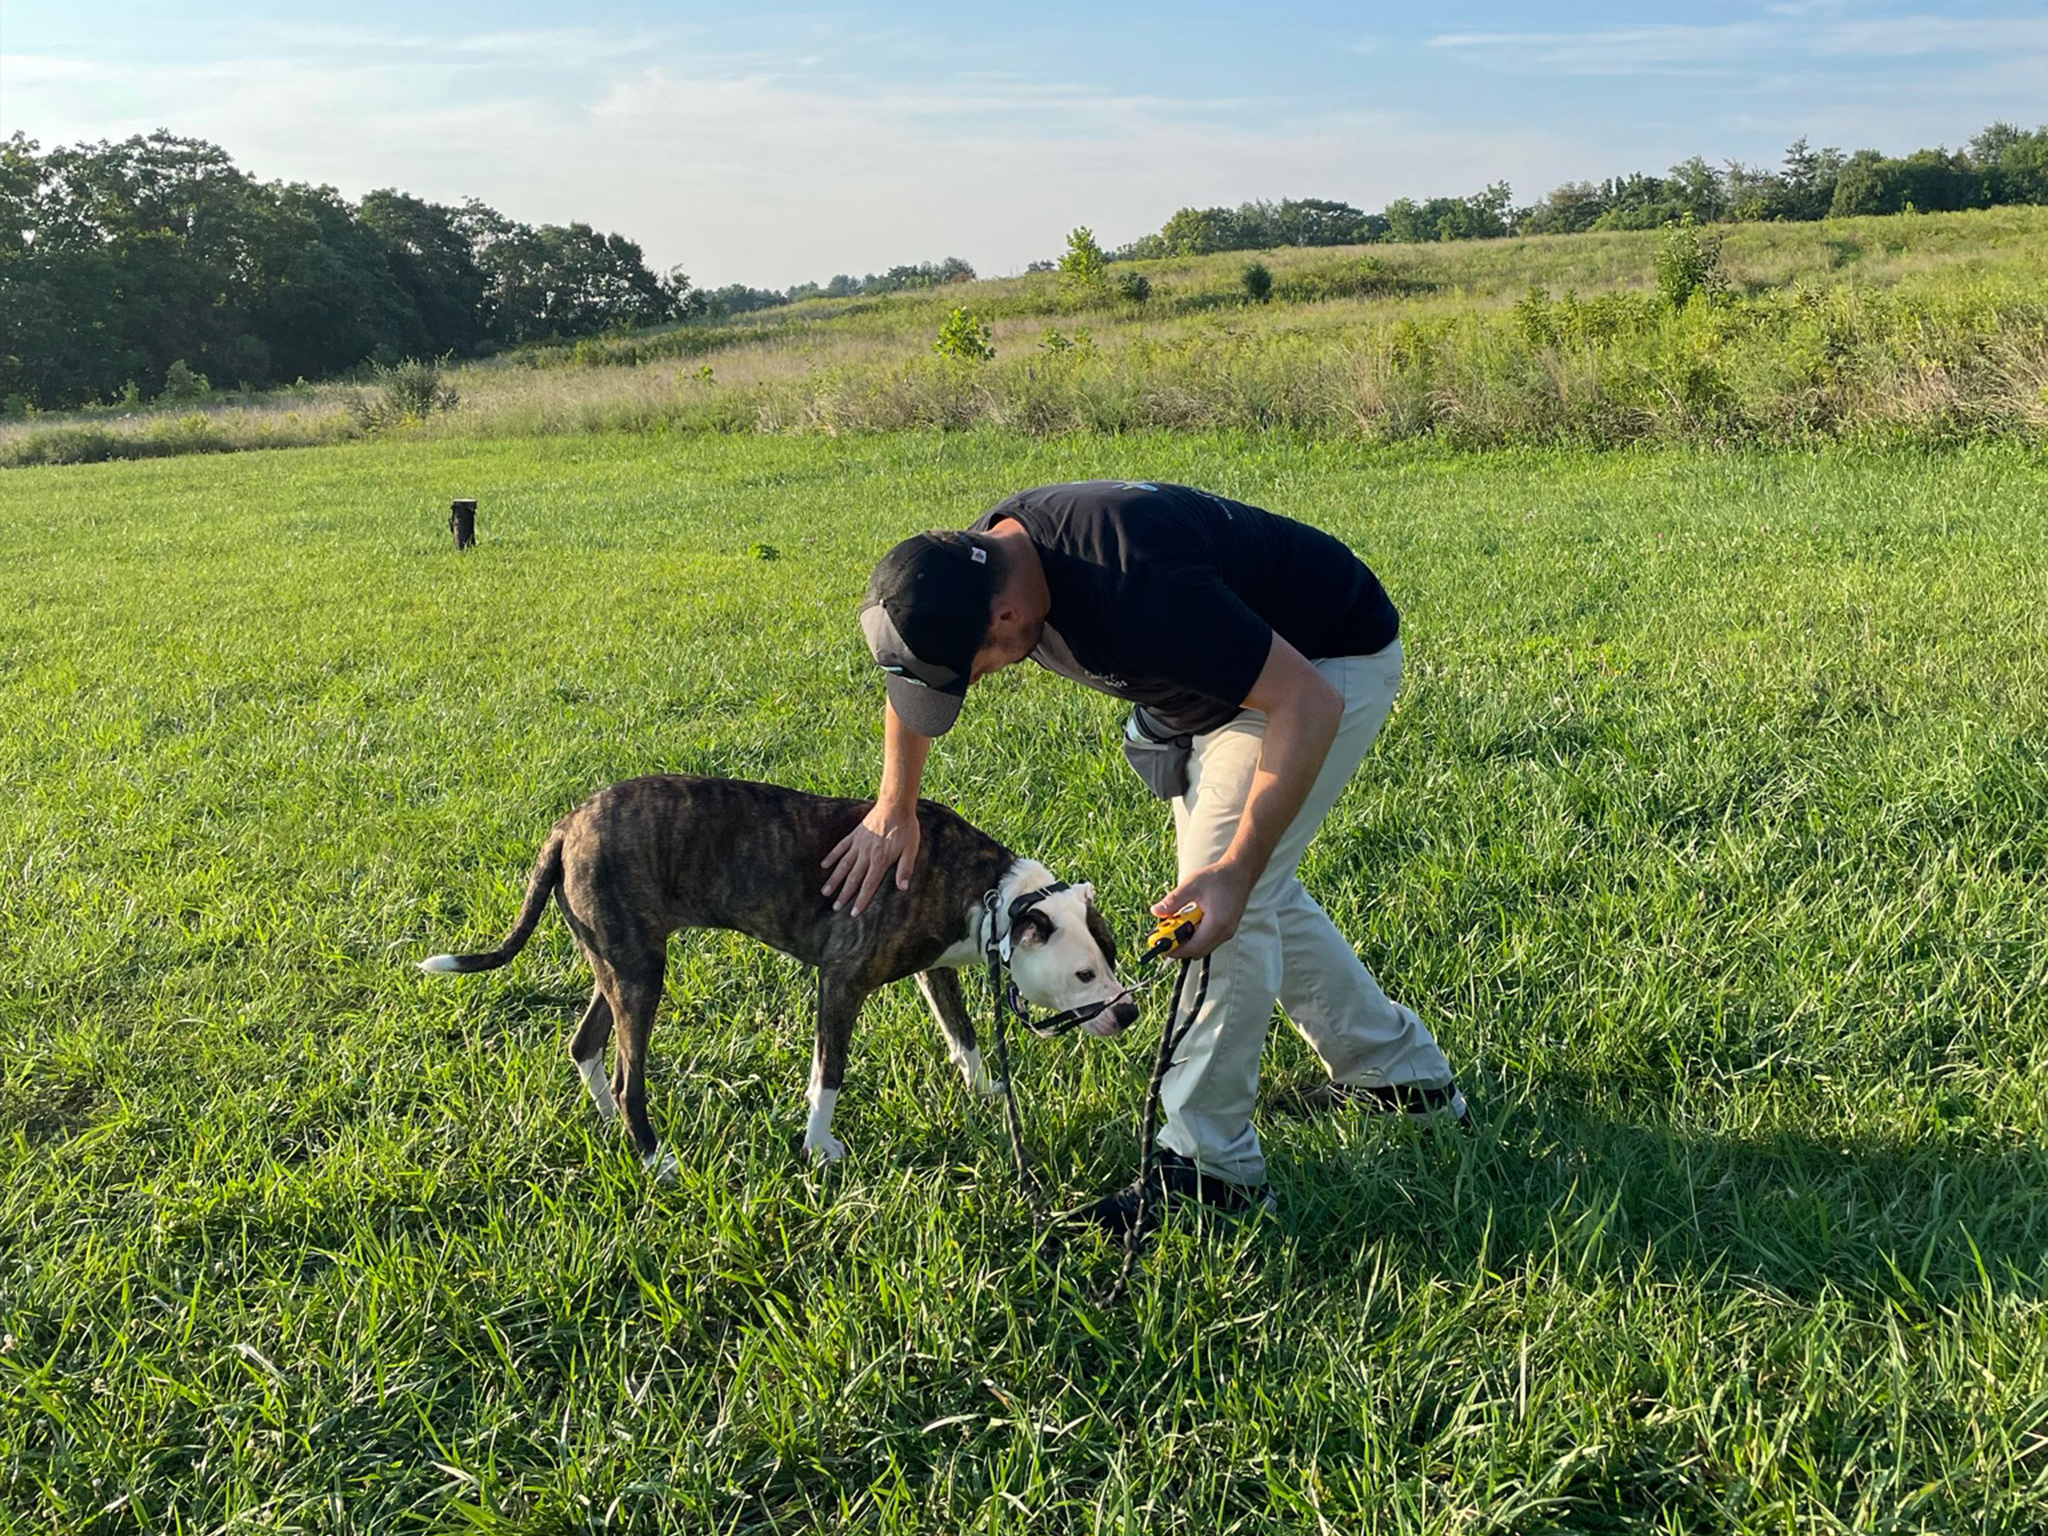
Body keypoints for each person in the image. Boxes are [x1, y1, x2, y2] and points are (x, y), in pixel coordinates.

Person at [822, 480, 1464, 1233]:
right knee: (1242, 891)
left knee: (1223, 901)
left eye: (977, 667)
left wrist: (1236, 866)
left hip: (1320, 668)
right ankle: (1402, 1081)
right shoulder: (971, 565)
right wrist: (894, 805)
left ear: (1004, 618)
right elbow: (914, 676)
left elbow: (1306, 701)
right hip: (1227, 686)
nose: (981, 682)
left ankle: (1211, 1174)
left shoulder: (1133, 583)